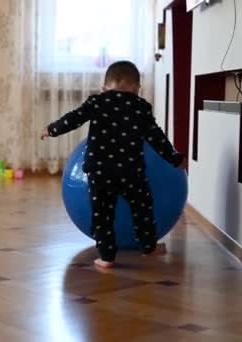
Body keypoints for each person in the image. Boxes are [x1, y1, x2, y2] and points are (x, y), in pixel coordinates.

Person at [41, 61, 185, 268]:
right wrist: (175, 159)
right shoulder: (141, 107)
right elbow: (156, 138)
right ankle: (148, 246)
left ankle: (107, 257)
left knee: (102, 214)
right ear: (137, 87)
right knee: (143, 209)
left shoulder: (97, 101)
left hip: (100, 172)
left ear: (104, 86)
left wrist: (52, 129)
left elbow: (74, 119)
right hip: (131, 171)